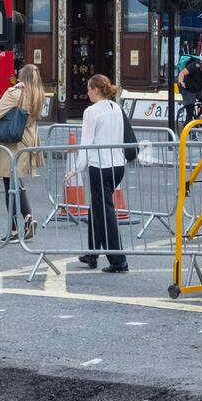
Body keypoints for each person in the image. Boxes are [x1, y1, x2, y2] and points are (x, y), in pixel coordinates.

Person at [0, 63, 45, 241]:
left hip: (11, 143)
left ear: (21, 77)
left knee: (10, 184)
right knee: (13, 182)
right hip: (28, 141)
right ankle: (17, 227)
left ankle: (23, 221)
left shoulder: (13, 93)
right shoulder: (38, 94)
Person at [76, 74, 128, 273]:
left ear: (96, 90)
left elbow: (86, 144)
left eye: (89, 89)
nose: (87, 92)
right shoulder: (116, 108)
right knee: (97, 206)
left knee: (105, 212)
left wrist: (76, 169)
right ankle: (92, 253)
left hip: (100, 166)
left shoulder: (91, 111)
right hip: (117, 165)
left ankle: (118, 260)